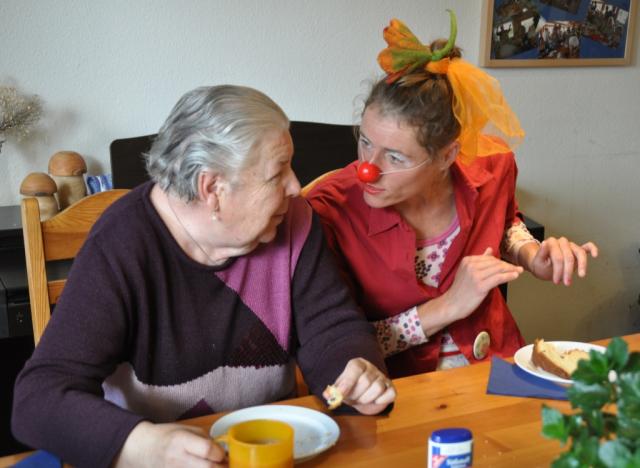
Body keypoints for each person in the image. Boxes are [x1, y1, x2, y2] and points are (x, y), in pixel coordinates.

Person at [12, 85, 395, 468]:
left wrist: (354, 370)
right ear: (212, 188)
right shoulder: (122, 244)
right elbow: (40, 397)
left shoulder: (294, 221)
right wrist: (140, 446)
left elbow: (333, 328)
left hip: (268, 453)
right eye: (278, 172)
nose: (296, 186)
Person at [306, 12, 598, 378]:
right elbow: (334, 346)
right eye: (365, 141)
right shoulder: (327, 211)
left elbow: (505, 224)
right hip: (397, 386)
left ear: (447, 156)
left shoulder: (494, 166)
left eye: (395, 157)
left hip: (497, 366)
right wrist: (449, 306)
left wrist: (531, 254)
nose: (368, 168)